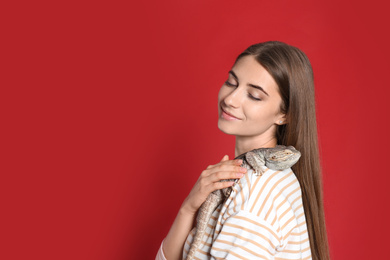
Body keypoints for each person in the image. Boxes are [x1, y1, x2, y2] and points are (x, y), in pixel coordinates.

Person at [156, 41, 330, 260]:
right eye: (231, 83)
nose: (230, 99)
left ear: (284, 115)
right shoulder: (249, 182)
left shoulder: (256, 194)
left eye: (254, 95)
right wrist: (188, 209)